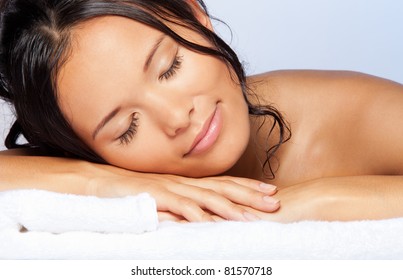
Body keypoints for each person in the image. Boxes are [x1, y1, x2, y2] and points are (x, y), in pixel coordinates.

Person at [1, 0, 403, 223]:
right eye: (127, 128)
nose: (177, 118)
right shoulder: (106, 166)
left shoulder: (353, 114)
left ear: (196, 16)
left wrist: (315, 204)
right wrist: (103, 184)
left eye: (169, 67)